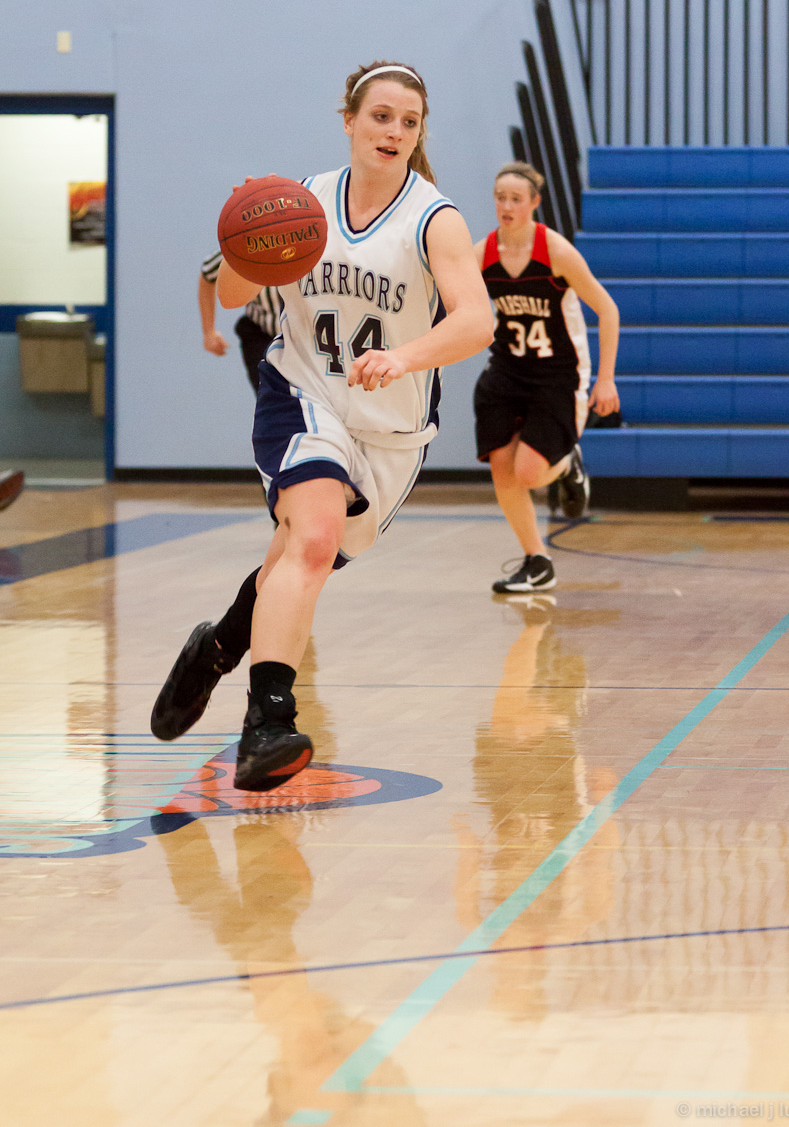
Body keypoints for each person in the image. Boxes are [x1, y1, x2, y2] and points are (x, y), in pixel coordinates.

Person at [151, 61, 494, 791]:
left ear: (419, 134)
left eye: (409, 121)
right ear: (349, 121)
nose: (394, 131)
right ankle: (268, 724)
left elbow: (476, 322)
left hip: (391, 430)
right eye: (380, 116)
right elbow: (235, 292)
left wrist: (403, 357)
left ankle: (216, 649)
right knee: (311, 537)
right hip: (303, 393)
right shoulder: (301, 202)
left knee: (295, 561)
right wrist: (245, 236)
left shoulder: (434, 218)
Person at [473, 162, 620, 595]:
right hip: (507, 370)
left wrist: (606, 380)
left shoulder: (555, 252)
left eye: (516, 199)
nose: (506, 206)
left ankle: (568, 464)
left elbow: (607, 310)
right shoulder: (482, 254)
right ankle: (537, 560)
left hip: (558, 374)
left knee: (530, 473)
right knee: (502, 468)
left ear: (535, 203)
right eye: (500, 197)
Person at [198, 250, 283, 392]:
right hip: (261, 334)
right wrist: (208, 332)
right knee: (272, 398)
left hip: (308, 335)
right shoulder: (245, 244)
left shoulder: (310, 241)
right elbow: (208, 272)